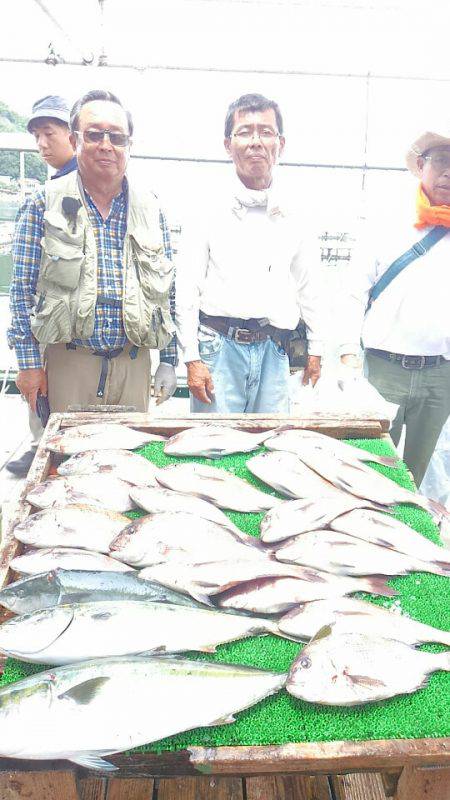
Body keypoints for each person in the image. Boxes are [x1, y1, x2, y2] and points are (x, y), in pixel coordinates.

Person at [8, 89, 177, 431]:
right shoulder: (43, 202)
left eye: (116, 136)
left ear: (129, 145)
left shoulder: (151, 208)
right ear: (75, 139)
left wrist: (169, 361)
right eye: (94, 134)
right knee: (65, 469)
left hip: (133, 364)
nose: (106, 144)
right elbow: (21, 290)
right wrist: (28, 365)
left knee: (129, 467)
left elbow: (166, 292)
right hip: (68, 363)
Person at [176, 93, 325, 413]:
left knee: (273, 443)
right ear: (228, 144)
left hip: (276, 349)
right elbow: (187, 286)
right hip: (217, 347)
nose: (256, 141)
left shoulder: (297, 211)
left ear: (280, 144)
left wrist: (316, 347)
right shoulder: (205, 206)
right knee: (214, 449)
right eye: (244, 132)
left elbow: (309, 286)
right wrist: (191, 357)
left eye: (266, 132)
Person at [339, 125, 450, 487]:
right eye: (441, 161)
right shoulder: (387, 223)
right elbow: (353, 289)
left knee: (414, 476)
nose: (449, 172)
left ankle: (406, 538)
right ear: (421, 166)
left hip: (440, 375)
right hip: (385, 370)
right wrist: (346, 354)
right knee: (371, 468)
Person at [7, 95, 77, 477]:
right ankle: (39, 446)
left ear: (73, 134)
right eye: (36, 136)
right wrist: (25, 353)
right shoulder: (42, 197)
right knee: (42, 393)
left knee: (52, 398)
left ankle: (42, 447)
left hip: (75, 327)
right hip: (49, 318)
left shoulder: (92, 189)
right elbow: (22, 282)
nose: (41, 144)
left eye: (49, 133)